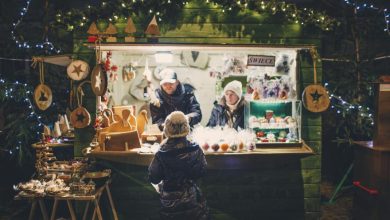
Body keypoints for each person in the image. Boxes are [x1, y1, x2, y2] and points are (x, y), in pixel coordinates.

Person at [148, 111, 209, 220]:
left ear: (167, 128)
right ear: (187, 127)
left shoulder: (161, 153)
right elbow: (202, 171)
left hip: (169, 203)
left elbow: (154, 177)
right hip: (192, 199)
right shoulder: (195, 149)